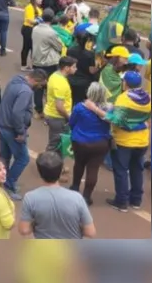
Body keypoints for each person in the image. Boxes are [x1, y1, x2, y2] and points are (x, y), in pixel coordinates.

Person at [84, 70, 151, 212]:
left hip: (124, 142)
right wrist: (139, 124)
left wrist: (95, 109)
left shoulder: (124, 98)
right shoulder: (147, 97)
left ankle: (121, 202)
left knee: (121, 171)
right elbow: (141, 119)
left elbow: (116, 120)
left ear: (125, 83)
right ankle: (136, 200)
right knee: (137, 170)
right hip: (142, 141)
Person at [0, 69, 48, 200]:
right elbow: (17, 113)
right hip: (11, 128)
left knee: (4, 155)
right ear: (35, 81)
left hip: (2, 122)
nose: (39, 88)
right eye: (40, 85)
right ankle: (8, 184)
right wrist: (20, 131)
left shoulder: (15, 80)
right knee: (23, 158)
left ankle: (0, 182)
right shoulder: (26, 91)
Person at [18, 151, 96, 239]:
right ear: (60, 172)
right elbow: (90, 232)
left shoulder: (30, 197)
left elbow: (24, 230)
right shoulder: (77, 198)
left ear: (40, 172)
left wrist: (35, 224)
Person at [68, 83, 112, 206]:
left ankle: (75, 188)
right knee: (93, 169)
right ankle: (86, 197)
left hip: (80, 141)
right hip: (100, 143)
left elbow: (71, 122)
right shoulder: (109, 108)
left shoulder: (80, 107)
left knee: (79, 164)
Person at [44, 56, 77, 158]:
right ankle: (48, 165)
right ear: (66, 68)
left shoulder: (54, 76)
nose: (76, 69)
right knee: (54, 144)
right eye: (74, 67)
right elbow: (59, 106)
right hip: (57, 117)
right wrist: (68, 117)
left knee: (58, 142)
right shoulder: (61, 83)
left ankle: (56, 164)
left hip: (51, 114)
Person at [31, 8, 62, 117]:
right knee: (49, 88)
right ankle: (49, 111)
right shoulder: (51, 32)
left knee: (38, 87)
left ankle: (38, 110)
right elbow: (59, 46)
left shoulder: (35, 29)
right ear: (52, 18)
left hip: (36, 61)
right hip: (49, 63)